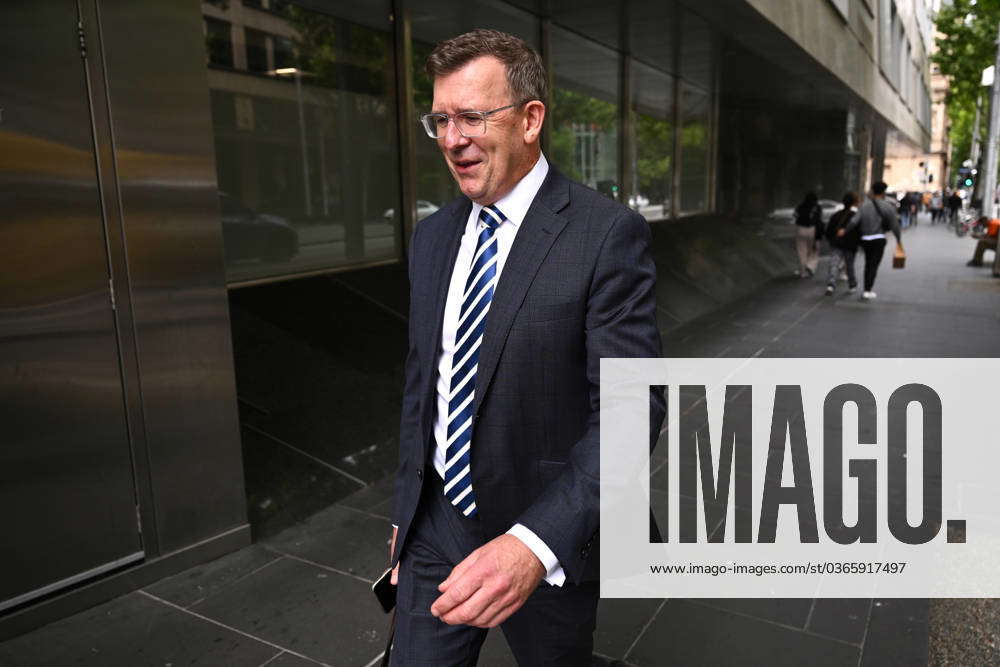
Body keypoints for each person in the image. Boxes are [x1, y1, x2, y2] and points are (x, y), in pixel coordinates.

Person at [387, 29, 665, 665]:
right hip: (437, 525)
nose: (453, 139)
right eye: (440, 120)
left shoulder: (605, 234)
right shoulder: (431, 238)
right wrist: (406, 510)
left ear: (531, 118)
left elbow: (632, 409)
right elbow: (421, 386)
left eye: (472, 117)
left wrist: (535, 544)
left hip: (541, 530)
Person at [839, 180, 902, 301]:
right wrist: (899, 240)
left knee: (868, 263)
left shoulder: (864, 205)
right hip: (879, 239)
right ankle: (867, 290)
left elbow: (854, 221)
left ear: (873, 191)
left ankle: (867, 288)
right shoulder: (887, 206)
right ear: (884, 192)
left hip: (865, 240)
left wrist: (844, 230)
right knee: (874, 265)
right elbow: (895, 225)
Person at [824, 192, 860, 295]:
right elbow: (859, 232)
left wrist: (831, 240)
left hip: (837, 244)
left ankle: (831, 285)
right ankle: (852, 285)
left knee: (834, 264)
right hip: (850, 245)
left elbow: (829, 231)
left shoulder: (836, 215)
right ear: (854, 203)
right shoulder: (855, 216)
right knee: (849, 265)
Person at [793, 192, 822, 277]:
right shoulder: (817, 207)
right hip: (812, 229)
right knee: (814, 250)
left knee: (801, 251)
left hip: (800, 229)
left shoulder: (800, 206)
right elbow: (819, 219)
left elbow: (795, 215)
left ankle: (803, 272)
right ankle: (810, 266)